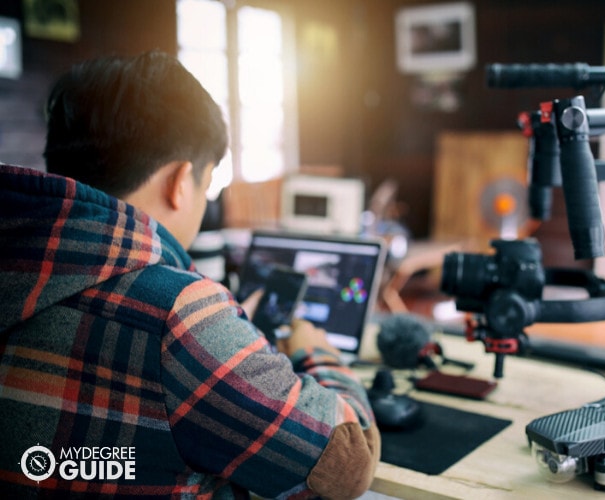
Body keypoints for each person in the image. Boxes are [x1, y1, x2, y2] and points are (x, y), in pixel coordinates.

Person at [0, 51, 380, 499]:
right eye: (208, 182)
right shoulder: (179, 314)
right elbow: (347, 464)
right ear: (181, 182)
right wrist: (319, 354)